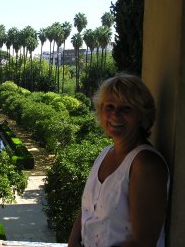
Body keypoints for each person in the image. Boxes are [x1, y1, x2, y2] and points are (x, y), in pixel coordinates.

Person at [68, 73, 169, 247]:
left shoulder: (145, 164)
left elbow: (144, 242)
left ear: (141, 115)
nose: (115, 115)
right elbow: (89, 210)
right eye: (109, 107)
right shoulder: (106, 153)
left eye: (126, 108)